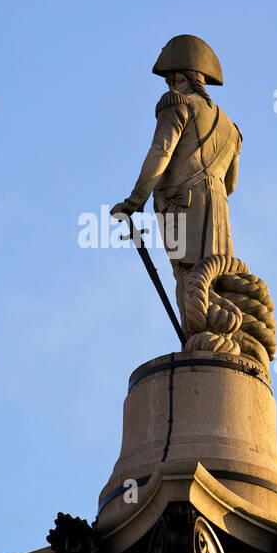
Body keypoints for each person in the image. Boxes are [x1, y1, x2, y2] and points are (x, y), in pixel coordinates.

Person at [111, 35, 242, 333]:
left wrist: (135, 201)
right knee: (215, 282)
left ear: (178, 77)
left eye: (170, 79)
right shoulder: (231, 128)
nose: (169, 85)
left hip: (182, 206)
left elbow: (161, 152)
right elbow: (231, 184)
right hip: (219, 214)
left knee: (189, 278)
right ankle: (212, 341)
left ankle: (196, 345)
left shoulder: (177, 104)